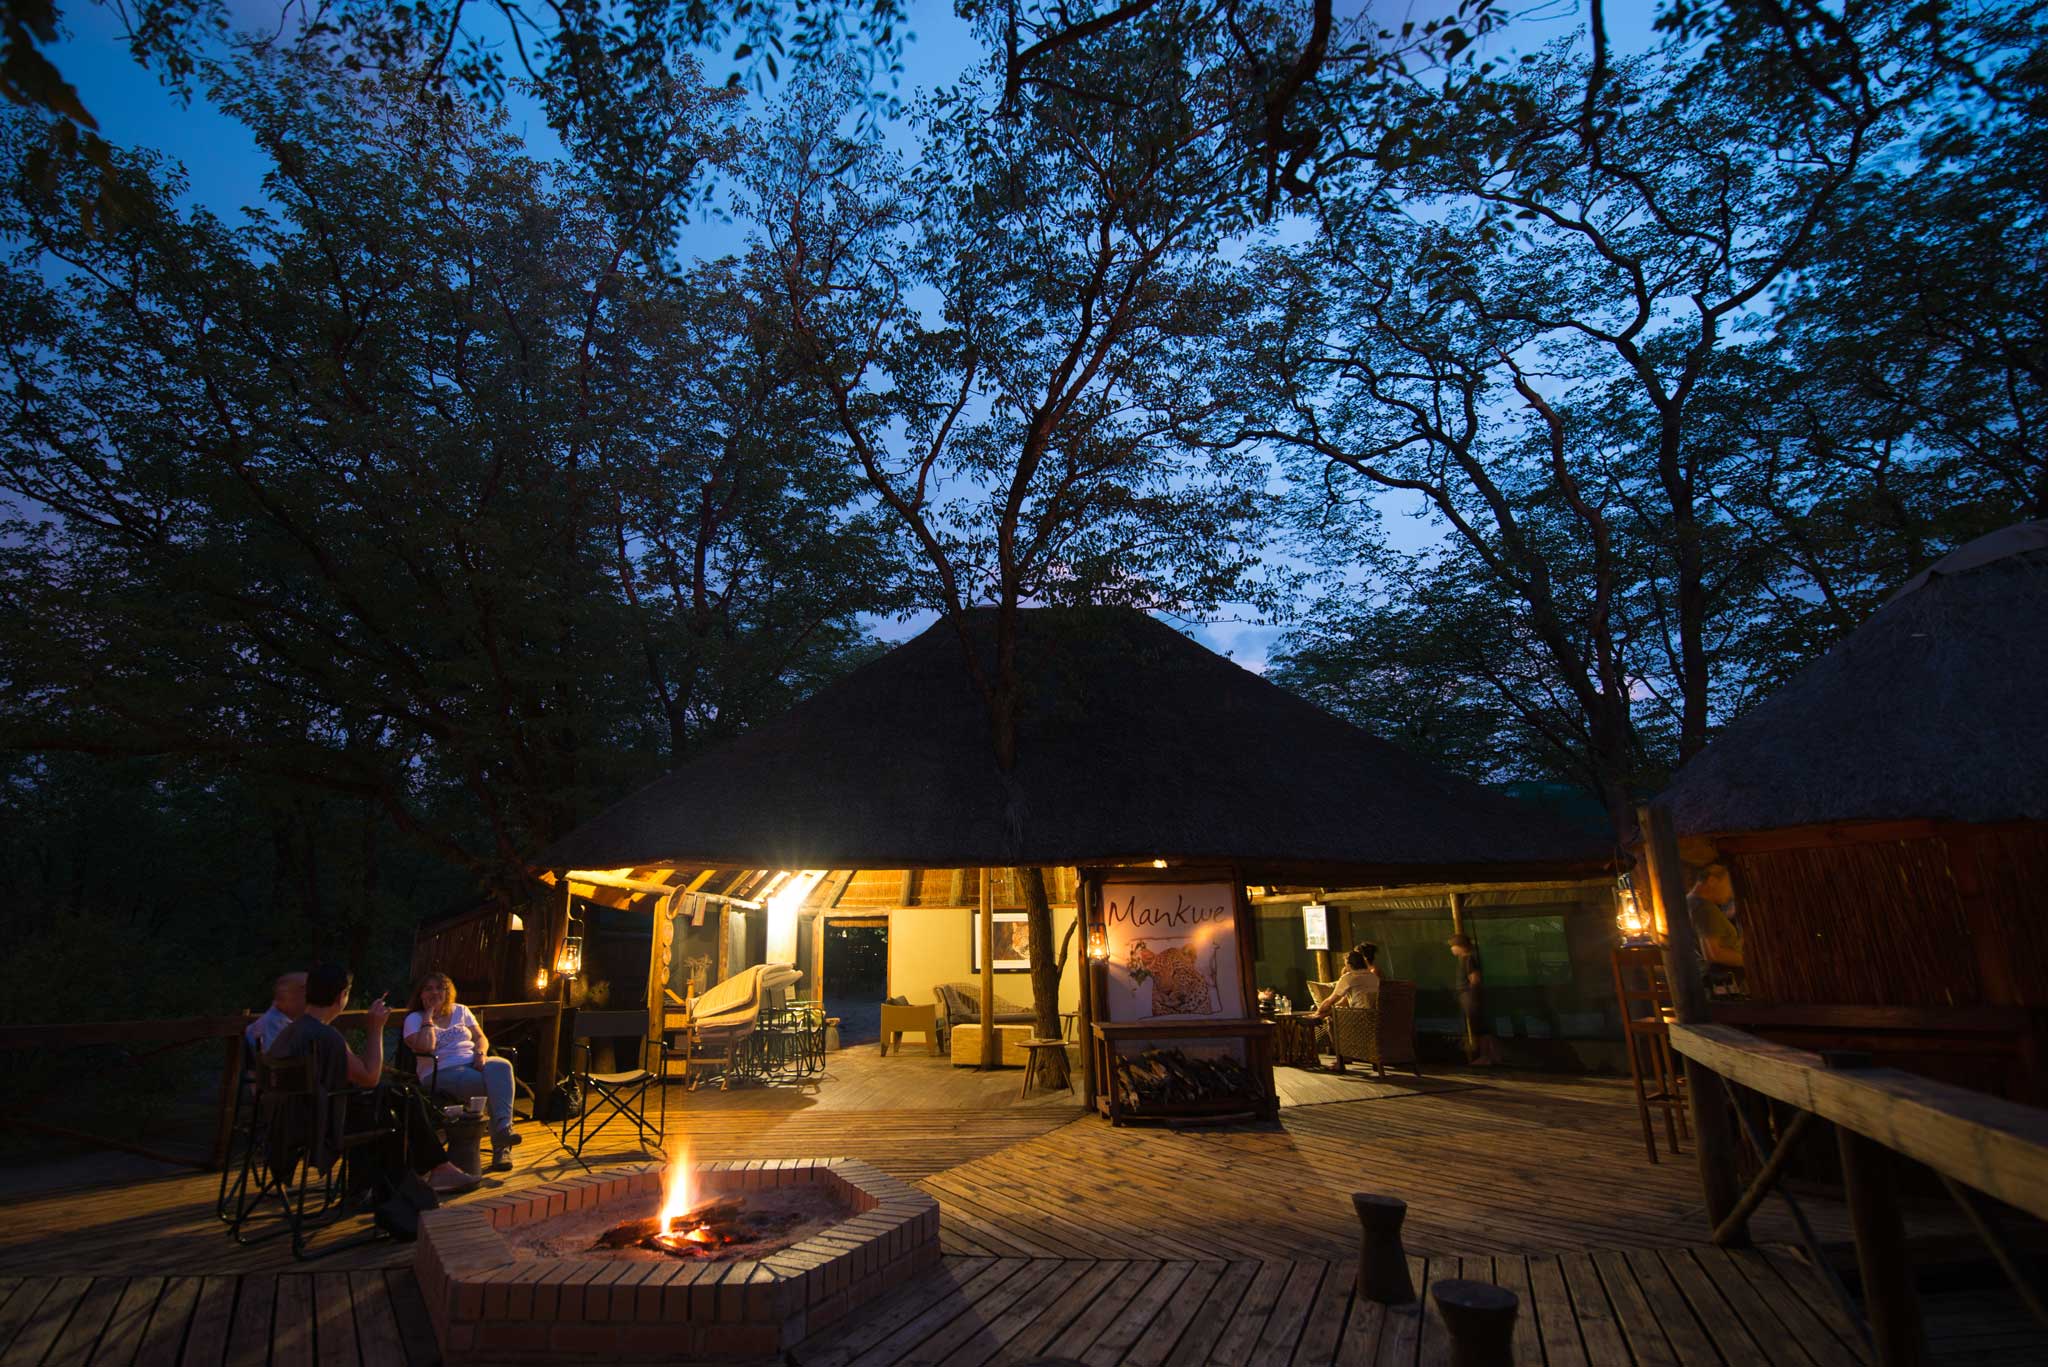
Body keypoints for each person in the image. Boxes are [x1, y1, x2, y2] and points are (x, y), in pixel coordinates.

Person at [265, 961, 478, 1195]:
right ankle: (418, 1178)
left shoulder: (292, 1031)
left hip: (286, 1124)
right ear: (342, 996)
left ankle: (374, 1186)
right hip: (319, 1125)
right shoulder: (325, 1036)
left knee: (393, 1097)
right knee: (398, 1101)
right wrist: (375, 1028)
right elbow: (370, 1078)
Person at [404, 972, 521, 1172]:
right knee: (494, 1085)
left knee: (502, 1066)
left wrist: (481, 1053)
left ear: (447, 992)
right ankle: (501, 1148)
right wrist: (429, 1015)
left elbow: (481, 1037)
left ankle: (503, 1131)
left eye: (439, 988)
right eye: (428, 989)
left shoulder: (461, 1010)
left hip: (473, 1062)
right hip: (440, 1072)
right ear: (420, 994)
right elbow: (425, 1046)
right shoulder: (414, 1019)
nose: (434, 992)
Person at [1448, 934, 1504, 1066]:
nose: (1451, 949)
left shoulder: (1468, 959)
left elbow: (1475, 979)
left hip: (1469, 997)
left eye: (1453, 946)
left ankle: (1487, 1056)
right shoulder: (1466, 959)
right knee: (1479, 1027)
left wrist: (1471, 995)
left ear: (1461, 946)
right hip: (1469, 997)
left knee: (1478, 1027)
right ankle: (1491, 1055)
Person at [1687, 863, 1745, 970]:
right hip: (1727, 974)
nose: (1731, 893)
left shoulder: (1690, 902)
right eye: (1729, 885)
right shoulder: (1704, 908)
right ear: (1712, 881)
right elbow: (1713, 954)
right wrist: (1750, 961)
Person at [1306, 945, 1381, 1018]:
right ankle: (1319, 1016)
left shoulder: (1349, 977)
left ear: (1349, 964)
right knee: (1335, 1009)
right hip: (1375, 1017)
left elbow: (1330, 1001)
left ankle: (1317, 1017)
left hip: (1357, 1017)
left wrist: (1317, 1013)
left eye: (1345, 964)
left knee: (1332, 1009)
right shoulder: (1374, 977)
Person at [244, 971, 307, 1056]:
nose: (308, 1002)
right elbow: (277, 1059)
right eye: (304, 996)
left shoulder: (283, 1020)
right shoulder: (272, 1023)